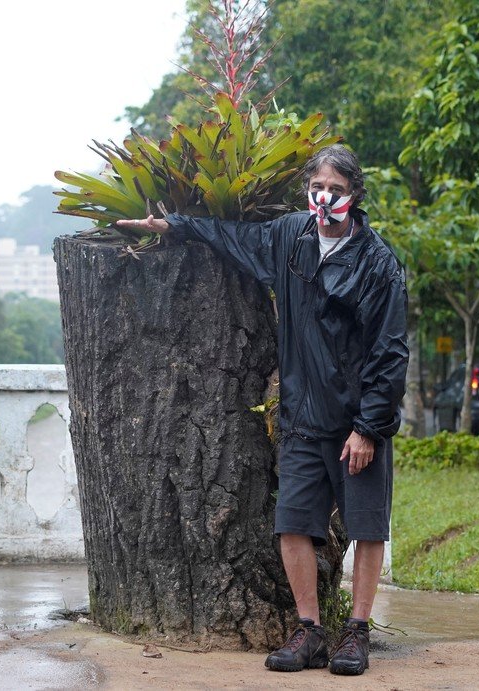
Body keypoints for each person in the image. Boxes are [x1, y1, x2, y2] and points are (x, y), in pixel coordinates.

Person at [116, 144, 408, 676]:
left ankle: (357, 633)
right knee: (293, 524)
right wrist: (172, 225)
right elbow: (232, 237)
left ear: (354, 195)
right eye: (317, 187)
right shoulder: (289, 237)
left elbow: (389, 351)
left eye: (336, 191)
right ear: (307, 190)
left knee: (367, 527)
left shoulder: (378, 262)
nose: (325, 198)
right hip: (301, 416)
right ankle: (310, 630)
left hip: (357, 425)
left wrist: (369, 427)